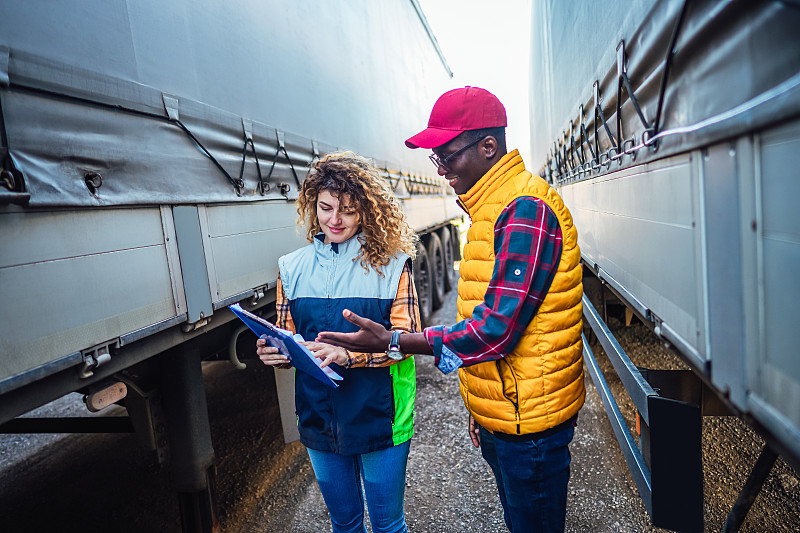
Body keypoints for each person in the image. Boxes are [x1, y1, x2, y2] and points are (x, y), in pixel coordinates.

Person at [317, 87, 584, 533]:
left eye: (447, 156)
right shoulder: (490, 210)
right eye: (435, 159)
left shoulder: (525, 209)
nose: (440, 170)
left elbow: (495, 329)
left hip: (530, 429)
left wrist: (396, 340)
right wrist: (482, 412)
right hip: (508, 417)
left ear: (488, 147)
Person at [256, 151, 420, 533]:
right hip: (319, 415)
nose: (335, 220)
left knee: (387, 525)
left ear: (365, 210)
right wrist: (274, 352)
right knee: (343, 524)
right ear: (313, 206)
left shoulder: (393, 264)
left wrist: (347, 356)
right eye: (326, 208)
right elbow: (288, 337)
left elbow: (406, 342)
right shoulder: (290, 267)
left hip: (382, 414)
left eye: (347, 210)